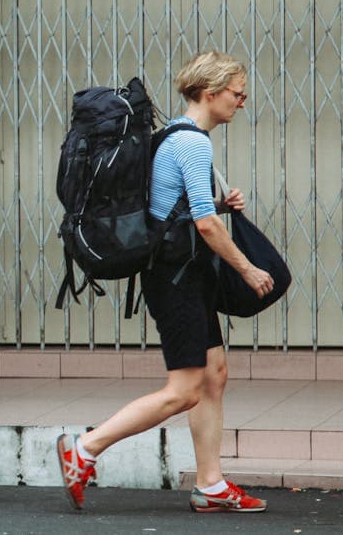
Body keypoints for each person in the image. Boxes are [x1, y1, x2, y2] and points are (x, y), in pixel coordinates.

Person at [56, 51, 275, 513]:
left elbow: (172, 208)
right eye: (237, 94)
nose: (242, 101)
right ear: (210, 93)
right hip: (176, 281)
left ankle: (210, 484)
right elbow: (205, 226)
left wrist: (218, 204)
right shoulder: (192, 143)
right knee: (184, 390)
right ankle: (85, 448)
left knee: (214, 375)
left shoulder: (172, 135)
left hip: (185, 274)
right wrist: (248, 269)